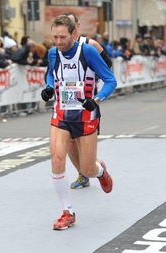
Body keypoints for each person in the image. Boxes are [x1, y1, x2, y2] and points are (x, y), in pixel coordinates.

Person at [41, 15, 116, 230]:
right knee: (56, 159)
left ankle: (101, 171)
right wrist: (48, 88)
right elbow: (51, 76)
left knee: (87, 169)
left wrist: (97, 99)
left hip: (85, 115)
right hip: (61, 114)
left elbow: (111, 80)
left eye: (62, 37)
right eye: (54, 36)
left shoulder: (88, 51)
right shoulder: (53, 53)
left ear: (74, 33)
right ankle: (68, 212)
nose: (58, 42)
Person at [62, 11, 113, 190]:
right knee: (69, 142)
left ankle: (93, 167)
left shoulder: (89, 44)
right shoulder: (59, 49)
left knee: (82, 142)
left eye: (70, 24)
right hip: (66, 103)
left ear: (77, 27)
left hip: (87, 103)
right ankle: (83, 173)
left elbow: (108, 65)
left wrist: (91, 77)